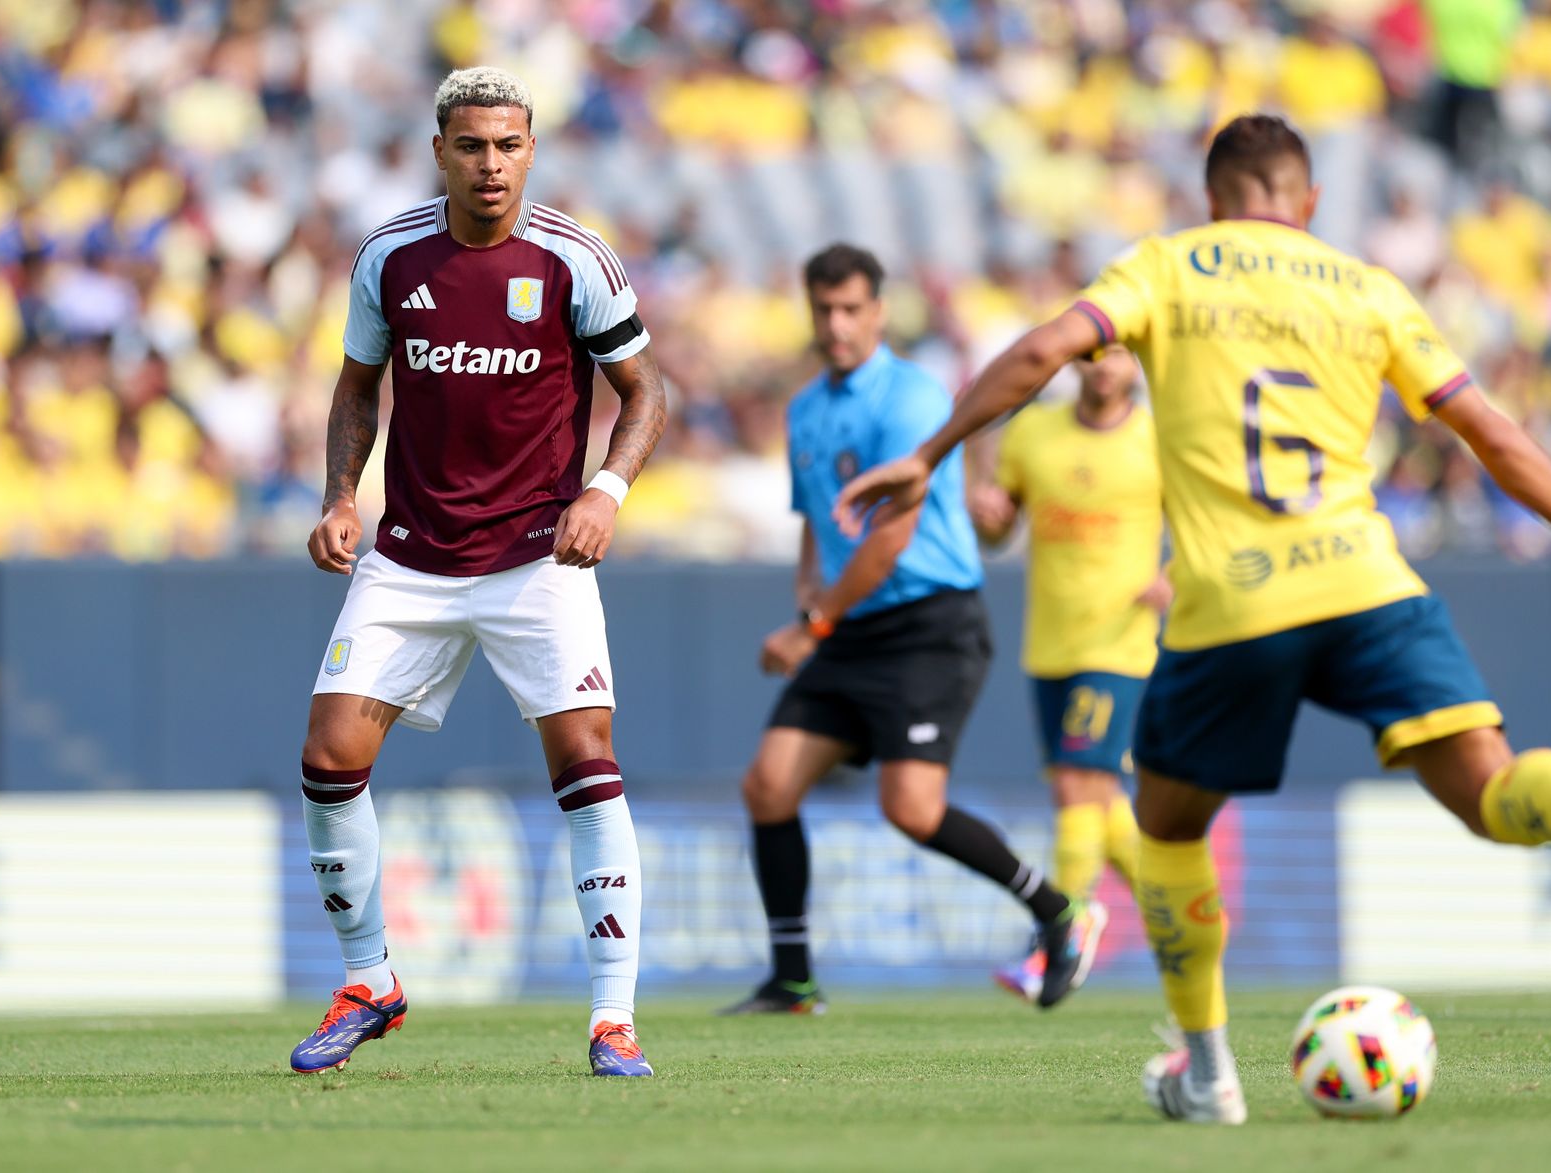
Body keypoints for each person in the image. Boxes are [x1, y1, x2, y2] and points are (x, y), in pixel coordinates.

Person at [835, 114, 1551, 1124]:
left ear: (1215, 199)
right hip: (1371, 586)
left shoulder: (1168, 266)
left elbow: (1041, 351)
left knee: (1163, 827)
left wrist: (933, 452)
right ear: (1310, 201)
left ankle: (1207, 1078)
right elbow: (1486, 429)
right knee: (1493, 795)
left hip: (1233, 604)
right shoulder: (1369, 289)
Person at [291, 68, 666, 1078]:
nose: (490, 164)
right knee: (329, 761)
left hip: (537, 556)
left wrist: (606, 494)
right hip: (411, 557)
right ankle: (369, 980)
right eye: (471, 146)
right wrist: (338, 496)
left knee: (586, 763)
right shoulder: (391, 256)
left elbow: (644, 393)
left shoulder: (572, 258)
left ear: (530, 150)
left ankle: (612, 1018)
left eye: (507, 145)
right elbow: (357, 388)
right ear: (439, 152)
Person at [721, 243, 1104, 1015]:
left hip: (930, 623)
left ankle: (1058, 913)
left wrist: (814, 624)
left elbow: (891, 535)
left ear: (880, 312)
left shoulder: (912, 398)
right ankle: (792, 980)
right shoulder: (805, 409)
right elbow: (814, 524)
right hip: (849, 626)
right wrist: (810, 609)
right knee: (768, 785)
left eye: (851, 308)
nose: (836, 324)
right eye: (823, 309)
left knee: (912, 808)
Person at [968, 347, 1166, 1002]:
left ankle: (1064, 928)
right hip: (1050, 643)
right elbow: (1003, 527)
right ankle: (1179, 913)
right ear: (1075, 362)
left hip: (1119, 642)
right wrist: (991, 519)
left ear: (1136, 363)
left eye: (1118, 354)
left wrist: (1178, 576)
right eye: (1092, 354)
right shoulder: (1035, 431)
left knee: (1082, 784)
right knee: (1089, 798)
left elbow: (1210, 522)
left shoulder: (1159, 437)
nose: (1105, 366)